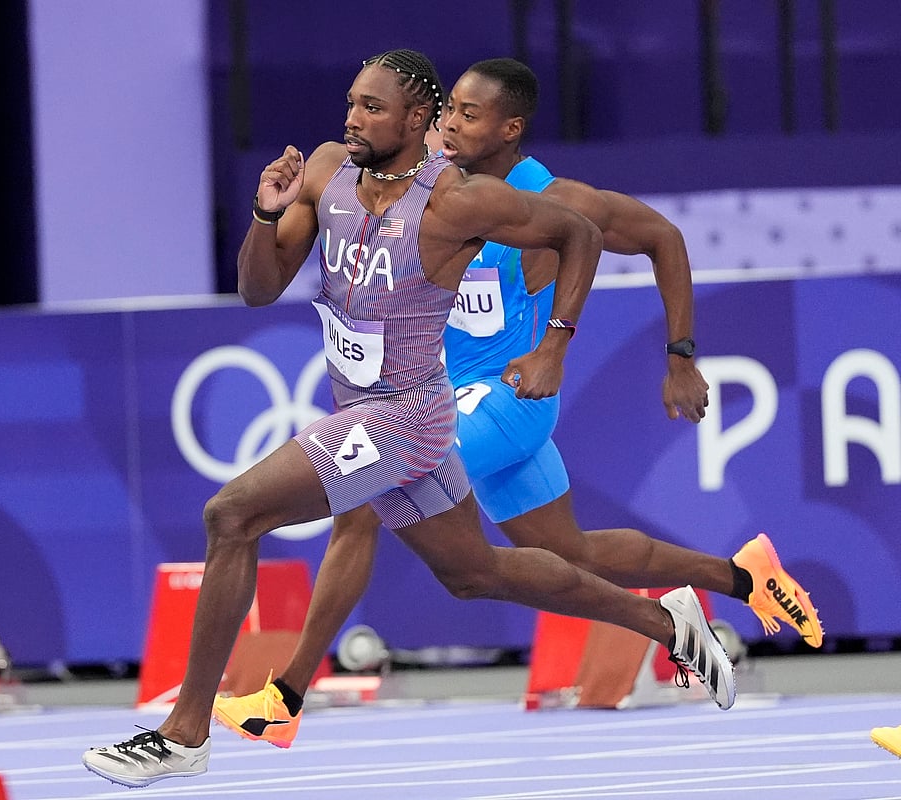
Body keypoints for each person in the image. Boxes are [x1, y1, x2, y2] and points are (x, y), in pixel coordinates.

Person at [83, 49, 733, 789]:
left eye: (373, 108)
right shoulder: (327, 172)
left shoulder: (458, 200)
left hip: (408, 418)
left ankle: (186, 733)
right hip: (369, 409)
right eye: (351, 103)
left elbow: (579, 234)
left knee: (231, 515)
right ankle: (668, 624)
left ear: (415, 119)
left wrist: (555, 347)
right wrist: (266, 213)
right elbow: (257, 290)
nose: (353, 119)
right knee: (475, 572)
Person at [212, 57, 821, 750]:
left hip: (507, 399)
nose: (448, 127)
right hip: (447, 398)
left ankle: (287, 694)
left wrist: (673, 356)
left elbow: (662, 238)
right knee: (568, 553)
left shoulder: (551, 198)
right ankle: (740, 577)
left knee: (362, 501)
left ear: (510, 130)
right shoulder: (430, 186)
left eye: (468, 117)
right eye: (447, 111)